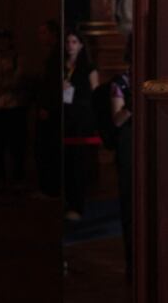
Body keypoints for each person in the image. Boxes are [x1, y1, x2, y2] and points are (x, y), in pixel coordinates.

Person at [0, 30, 31, 187]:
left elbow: (18, 81)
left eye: (4, 41)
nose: (1, 45)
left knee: (17, 146)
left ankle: (18, 180)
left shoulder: (20, 60)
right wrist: (4, 83)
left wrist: (1, 83)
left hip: (15, 108)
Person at [62, 29, 99, 221]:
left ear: (81, 45)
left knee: (78, 163)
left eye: (74, 42)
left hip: (82, 120)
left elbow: (96, 94)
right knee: (66, 163)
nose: (70, 46)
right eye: (68, 42)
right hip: (65, 118)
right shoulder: (62, 65)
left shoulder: (89, 67)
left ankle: (77, 204)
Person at [110, 41, 133, 282]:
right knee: (129, 206)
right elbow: (116, 120)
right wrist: (132, 105)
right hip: (127, 149)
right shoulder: (121, 82)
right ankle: (132, 263)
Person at [33, 20, 61, 198]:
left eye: (43, 32)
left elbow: (53, 85)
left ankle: (50, 188)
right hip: (49, 108)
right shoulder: (52, 55)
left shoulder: (56, 57)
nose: (40, 37)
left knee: (48, 150)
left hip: (51, 111)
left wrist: (47, 107)